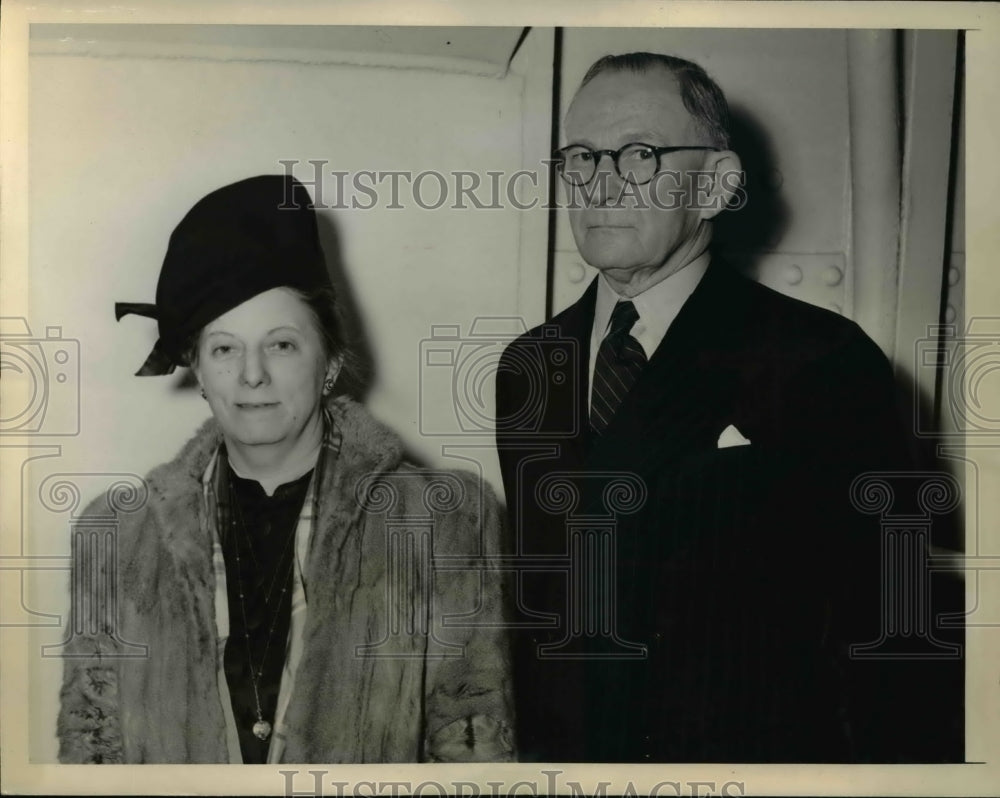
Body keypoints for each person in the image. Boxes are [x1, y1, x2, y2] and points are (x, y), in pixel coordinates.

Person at [496, 52, 959, 762]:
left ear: (718, 185)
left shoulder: (820, 359)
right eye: (581, 157)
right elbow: (541, 616)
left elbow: (892, 629)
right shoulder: (530, 365)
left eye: (639, 154)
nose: (600, 183)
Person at [58, 174, 514, 764]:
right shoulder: (117, 539)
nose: (252, 375)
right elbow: (92, 749)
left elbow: (471, 751)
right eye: (225, 348)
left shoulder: (444, 526)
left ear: (330, 360)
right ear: (196, 367)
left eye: (281, 344)